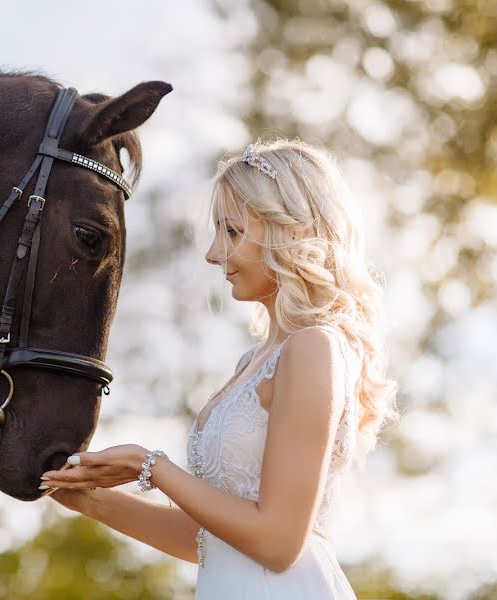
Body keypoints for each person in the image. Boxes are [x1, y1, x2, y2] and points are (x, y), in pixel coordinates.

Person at [40, 140, 398, 598]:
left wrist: (149, 466)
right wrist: (87, 499)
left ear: (287, 232)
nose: (213, 253)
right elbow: (208, 541)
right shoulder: (253, 362)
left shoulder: (313, 348)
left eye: (231, 231)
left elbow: (278, 543)